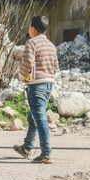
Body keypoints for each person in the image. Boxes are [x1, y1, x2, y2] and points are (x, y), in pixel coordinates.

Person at [13, 15, 59, 164]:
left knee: (40, 118)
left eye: (29, 26)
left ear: (33, 28)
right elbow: (55, 67)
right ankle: (26, 148)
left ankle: (46, 153)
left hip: (36, 85)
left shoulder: (32, 43)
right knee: (33, 117)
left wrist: (22, 76)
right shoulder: (51, 45)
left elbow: (27, 62)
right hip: (48, 85)